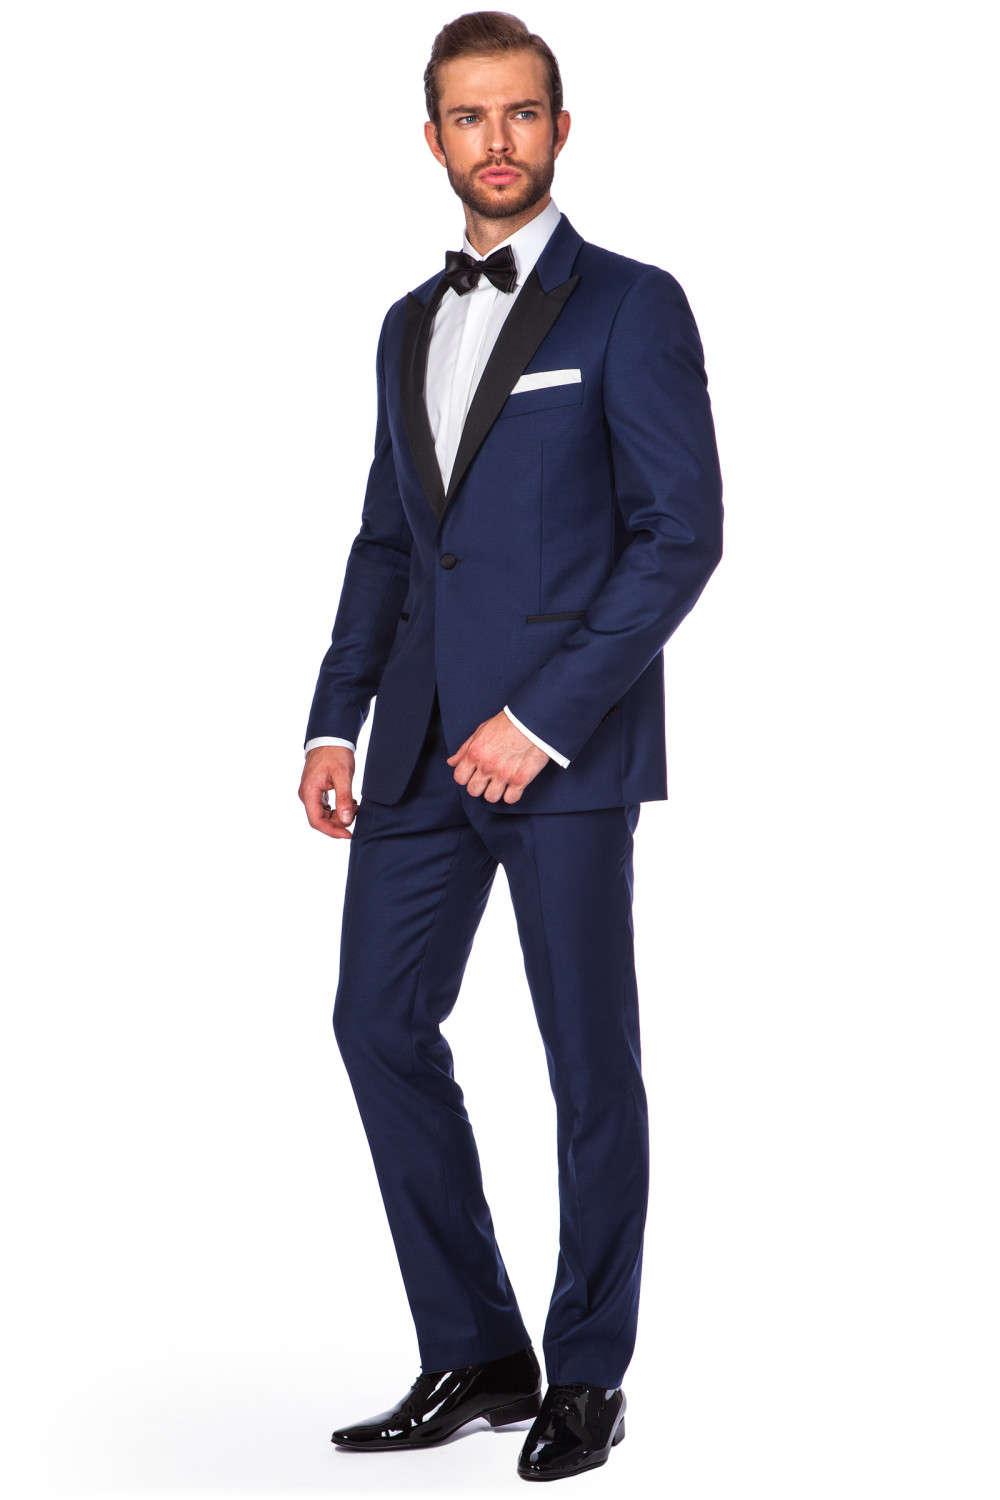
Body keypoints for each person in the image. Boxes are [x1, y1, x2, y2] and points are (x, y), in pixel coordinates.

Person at [298, 10, 723, 1483]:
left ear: (560, 128)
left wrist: (541, 719)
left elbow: (680, 536)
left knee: (587, 1063)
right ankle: (478, 1351)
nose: (498, 140)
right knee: (375, 1024)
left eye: (522, 113)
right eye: (470, 117)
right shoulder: (404, 324)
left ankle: (588, 1370)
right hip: (417, 744)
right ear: (432, 138)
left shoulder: (633, 307)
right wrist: (335, 714)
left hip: (563, 751)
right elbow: (388, 537)